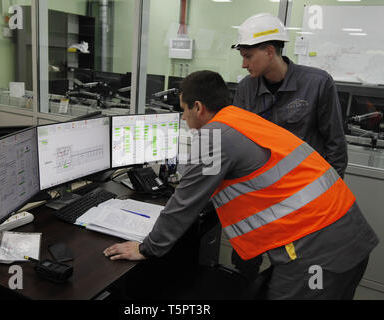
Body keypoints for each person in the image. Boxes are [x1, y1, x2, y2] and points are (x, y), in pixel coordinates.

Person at [103, 70, 378, 299]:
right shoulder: (242, 119)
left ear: (198, 107)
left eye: (184, 111)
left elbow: (187, 201)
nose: (184, 120)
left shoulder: (213, 135)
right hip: (348, 235)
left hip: (318, 250)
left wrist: (147, 247)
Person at [230, 13, 349, 280]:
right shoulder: (246, 89)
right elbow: (236, 142)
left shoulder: (317, 83)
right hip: (259, 200)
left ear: (269, 51)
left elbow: (336, 145)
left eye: (248, 56)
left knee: (295, 270)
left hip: (303, 202)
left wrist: (327, 200)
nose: (244, 63)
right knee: (244, 264)